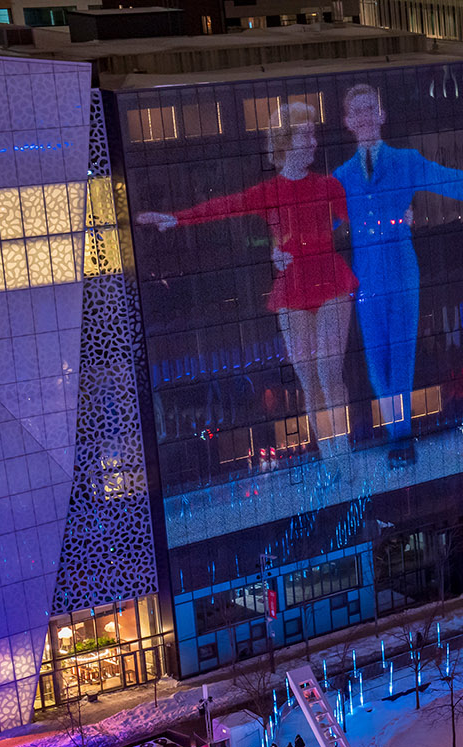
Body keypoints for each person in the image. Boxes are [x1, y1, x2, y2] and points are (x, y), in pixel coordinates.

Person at [135, 102, 357, 482]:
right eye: (306, 135)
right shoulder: (269, 191)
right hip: (293, 287)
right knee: (307, 376)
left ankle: (343, 455)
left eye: (313, 135)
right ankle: (331, 461)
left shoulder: (329, 186)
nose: (314, 142)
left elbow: (359, 217)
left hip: (331, 280)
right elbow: (226, 207)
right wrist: (177, 218)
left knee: (327, 370)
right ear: (286, 142)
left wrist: (395, 218)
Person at [333, 83, 463, 466]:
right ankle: (396, 434)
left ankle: (400, 440)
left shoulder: (404, 161)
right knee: (376, 363)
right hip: (367, 280)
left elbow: (445, 177)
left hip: (402, 272)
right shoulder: (340, 178)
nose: (367, 116)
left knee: (401, 358)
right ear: (348, 122)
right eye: (359, 111)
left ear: (382, 115)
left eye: (372, 108)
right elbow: (317, 221)